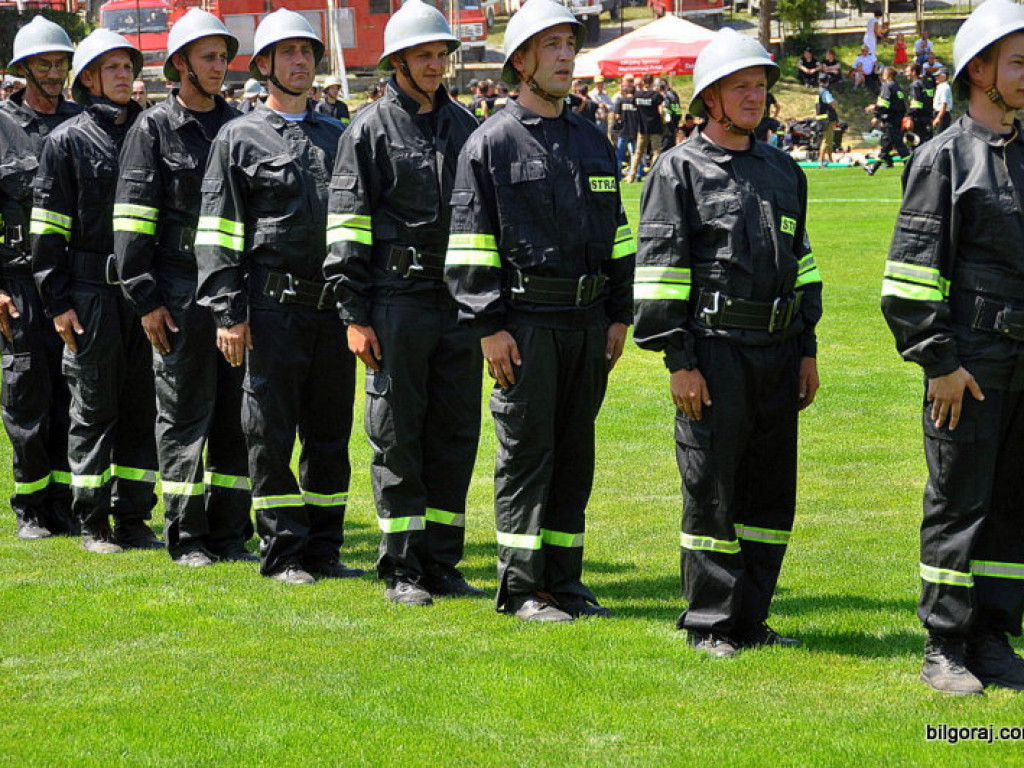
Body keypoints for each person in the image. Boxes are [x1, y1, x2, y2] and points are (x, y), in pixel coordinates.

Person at [633, 27, 821, 658]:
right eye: (740, 86)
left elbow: (804, 264)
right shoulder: (677, 170)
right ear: (709, 98)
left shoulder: (783, 169)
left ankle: (752, 617)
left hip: (777, 351)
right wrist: (680, 362)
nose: (754, 97)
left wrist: (807, 348)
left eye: (761, 86)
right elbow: (659, 271)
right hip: (713, 354)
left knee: (769, 495)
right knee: (712, 492)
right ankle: (711, 623)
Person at [445, 0, 634, 622]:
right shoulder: (490, 143)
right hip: (523, 326)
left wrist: (618, 312)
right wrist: (489, 326)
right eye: (550, 45)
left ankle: (566, 582)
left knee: (575, 454)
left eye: (568, 45)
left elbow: (619, 235)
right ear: (519, 61)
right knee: (527, 456)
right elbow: (471, 243)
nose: (563, 56)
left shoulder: (590, 138)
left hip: (587, 325)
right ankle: (523, 588)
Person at [880, 0, 1024, 696]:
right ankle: (944, 645)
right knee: (958, 504)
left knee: (1012, 504)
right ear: (979, 70)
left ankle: (994, 638)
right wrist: (939, 361)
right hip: (969, 365)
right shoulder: (944, 159)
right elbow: (908, 281)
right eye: (1019, 61)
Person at [195, 9, 362, 585]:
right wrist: (228, 313)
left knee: (330, 433)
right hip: (270, 311)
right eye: (288, 53)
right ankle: (284, 551)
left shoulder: (339, 137)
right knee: (269, 433)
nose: (301, 62)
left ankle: (324, 547)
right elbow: (218, 232)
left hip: (331, 311)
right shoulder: (237, 137)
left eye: (307, 53)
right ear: (263, 64)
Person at [326, 0, 483, 606]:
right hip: (394, 303)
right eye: (424, 56)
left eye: (442, 55)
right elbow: (345, 227)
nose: (436, 65)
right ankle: (401, 570)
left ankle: (442, 563)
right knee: (398, 436)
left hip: (456, 306)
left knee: (454, 434)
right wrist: (354, 316)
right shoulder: (366, 129)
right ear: (397, 62)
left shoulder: (467, 126)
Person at [113, 9, 252, 567]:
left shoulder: (241, 125)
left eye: (223, 56)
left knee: (237, 417)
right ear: (180, 65)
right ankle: (187, 537)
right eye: (209, 57)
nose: (220, 67)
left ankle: (231, 534)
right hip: (175, 294)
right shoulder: (152, 129)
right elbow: (130, 222)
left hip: (233, 295)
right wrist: (145, 299)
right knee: (182, 416)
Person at [31, 29, 162, 554]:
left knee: (141, 408)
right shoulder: (66, 140)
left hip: (144, 297)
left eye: (129, 67)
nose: (126, 76)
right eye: (113, 69)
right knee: (93, 408)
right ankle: (93, 523)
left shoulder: (152, 131)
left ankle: (133, 518)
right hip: (89, 295)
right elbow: (47, 229)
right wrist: (57, 302)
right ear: (88, 79)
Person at [0, 16, 81, 541]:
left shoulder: (83, 122)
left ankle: (71, 501)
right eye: (44, 64)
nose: (54, 73)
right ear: (23, 68)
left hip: (77, 284)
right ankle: (32, 506)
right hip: (20, 285)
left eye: (60, 63)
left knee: (78, 398)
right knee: (28, 395)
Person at [864, 66, 909, 175]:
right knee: (886, 146)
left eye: (883, 73)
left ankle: (911, 166)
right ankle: (873, 168)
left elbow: (884, 105)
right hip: (897, 120)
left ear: (888, 75)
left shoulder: (887, 86)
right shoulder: (897, 87)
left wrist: (875, 111)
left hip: (890, 122)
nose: (881, 75)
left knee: (900, 146)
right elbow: (902, 107)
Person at [626, 73, 663, 183]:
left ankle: (631, 176)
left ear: (642, 82)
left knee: (638, 153)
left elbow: (633, 105)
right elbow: (661, 111)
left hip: (642, 128)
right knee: (656, 152)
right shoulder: (656, 95)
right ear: (652, 82)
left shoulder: (637, 95)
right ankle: (653, 176)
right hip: (655, 127)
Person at [905, 61, 933, 145]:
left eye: (907, 71)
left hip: (918, 120)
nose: (906, 74)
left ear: (913, 72)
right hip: (928, 118)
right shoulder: (926, 83)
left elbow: (915, 104)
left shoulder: (915, 85)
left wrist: (910, 117)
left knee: (916, 145)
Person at [816, 72, 838, 166]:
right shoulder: (825, 92)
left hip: (821, 119)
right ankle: (820, 161)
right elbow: (832, 103)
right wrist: (836, 104)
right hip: (827, 119)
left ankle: (830, 159)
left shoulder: (819, 92)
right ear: (827, 82)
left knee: (829, 140)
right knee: (826, 140)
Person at [657, 77, 681, 151]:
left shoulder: (667, 95)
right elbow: (678, 111)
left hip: (668, 124)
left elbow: (671, 110)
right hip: (672, 123)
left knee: (666, 146)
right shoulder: (673, 93)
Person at [932, 68, 952, 133]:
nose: (936, 78)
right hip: (939, 114)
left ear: (944, 77)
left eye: (938, 76)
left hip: (942, 116)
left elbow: (944, 105)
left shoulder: (945, 88)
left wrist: (938, 118)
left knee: (940, 137)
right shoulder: (941, 86)